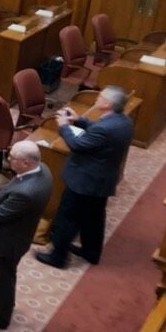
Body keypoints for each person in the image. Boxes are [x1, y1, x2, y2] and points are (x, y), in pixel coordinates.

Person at [36, 86, 134, 270]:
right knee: (94, 217)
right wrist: (79, 120)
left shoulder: (105, 128)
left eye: (100, 96)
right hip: (103, 180)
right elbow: (99, 132)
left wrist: (65, 126)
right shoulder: (124, 121)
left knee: (68, 218)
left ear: (108, 104)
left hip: (84, 182)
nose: (97, 98)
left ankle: (58, 257)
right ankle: (91, 251)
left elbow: (77, 144)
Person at [0, 141, 53, 330]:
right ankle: (1, 295)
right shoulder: (43, 169)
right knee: (7, 274)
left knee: (5, 276)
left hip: (7, 241)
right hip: (21, 234)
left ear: (26, 163)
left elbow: (1, 214)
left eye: (13, 158)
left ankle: (0, 316)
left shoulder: (26, 193)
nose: (8, 160)